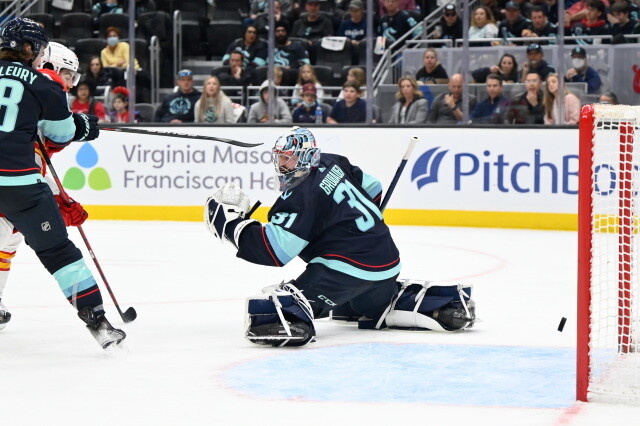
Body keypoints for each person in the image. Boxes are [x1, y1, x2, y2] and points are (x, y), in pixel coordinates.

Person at [204, 126, 475, 347]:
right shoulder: (332, 161)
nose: (282, 164)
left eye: (289, 157)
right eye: (280, 157)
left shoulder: (301, 195)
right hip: (386, 264)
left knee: (280, 307)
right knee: (372, 300)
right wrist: (349, 222)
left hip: (343, 272)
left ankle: (302, 315)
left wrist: (230, 223)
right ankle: (436, 307)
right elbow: (373, 187)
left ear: (306, 156)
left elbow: (274, 251)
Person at [0, 18, 124, 348]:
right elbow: (60, 133)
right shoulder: (43, 83)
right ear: (27, 50)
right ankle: (97, 322)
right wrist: (84, 126)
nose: (40, 57)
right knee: (58, 253)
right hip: (19, 186)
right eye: (38, 50)